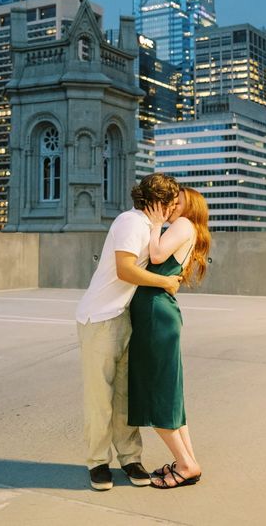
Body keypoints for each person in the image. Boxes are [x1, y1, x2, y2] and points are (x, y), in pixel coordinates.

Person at [76, 173, 183, 491]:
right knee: (101, 398)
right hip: (99, 319)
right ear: (158, 202)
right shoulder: (129, 221)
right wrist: (166, 282)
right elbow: (125, 269)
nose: (173, 210)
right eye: (171, 203)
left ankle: (130, 458)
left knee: (125, 397)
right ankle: (97, 462)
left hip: (123, 317)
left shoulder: (149, 226)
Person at [128, 187, 211, 489]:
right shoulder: (189, 229)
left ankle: (186, 465)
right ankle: (188, 461)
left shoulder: (183, 225)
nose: (172, 204)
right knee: (168, 391)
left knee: (156, 393)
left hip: (154, 314)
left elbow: (157, 254)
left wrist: (153, 225)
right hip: (160, 313)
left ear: (191, 206)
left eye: (179, 201)